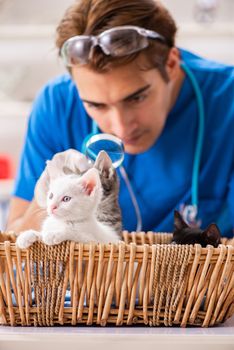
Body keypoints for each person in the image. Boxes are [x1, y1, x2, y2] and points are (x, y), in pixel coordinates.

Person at [7, 0, 234, 237]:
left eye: (136, 98)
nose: (121, 127)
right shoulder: (58, 105)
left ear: (171, 63)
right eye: (95, 105)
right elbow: (12, 250)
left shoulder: (227, 102)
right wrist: (45, 198)